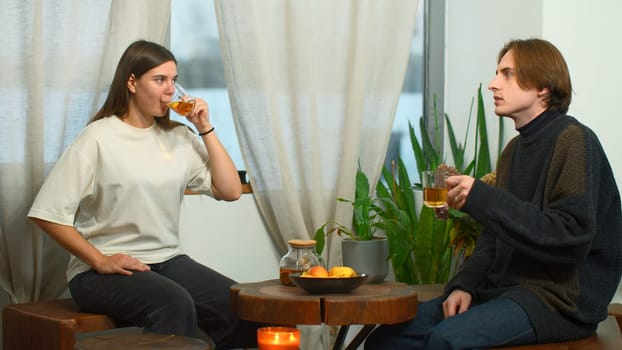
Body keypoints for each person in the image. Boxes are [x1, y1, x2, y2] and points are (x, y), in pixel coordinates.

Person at [365, 38, 622, 349]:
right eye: (496, 73)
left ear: (542, 87)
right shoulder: (513, 152)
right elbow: (493, 238)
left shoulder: (575, 141)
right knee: (388, 338)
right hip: (506, 291)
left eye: (507, 74)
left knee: (445, 341)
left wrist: (482, 196)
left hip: (559, 301)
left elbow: (570, 237)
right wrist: (465, 285)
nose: (492, 84)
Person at [27, 40, 259, 348]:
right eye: (159, 80)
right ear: (132, 83)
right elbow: (47, 213)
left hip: (167, 260)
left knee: (240, 305)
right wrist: (99, 260)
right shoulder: (98, 137)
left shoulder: (179, 137)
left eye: (174, 80)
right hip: (98, 272)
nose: (170, 90)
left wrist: (205, 127)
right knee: (173, 303)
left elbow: (230, 191)